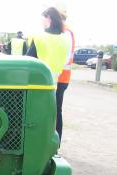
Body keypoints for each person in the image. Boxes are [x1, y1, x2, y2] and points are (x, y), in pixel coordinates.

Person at [26, 7, 69, 142]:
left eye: (43, 18)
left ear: (48, 18)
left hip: (36, 84)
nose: (42, 22)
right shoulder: (65, 39)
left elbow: (27, 60)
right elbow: (66, 60)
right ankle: (55, 144)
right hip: (55, 82)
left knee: (33, 117)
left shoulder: (39, 38)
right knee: (55, 114)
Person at [55, 3, 75, 141]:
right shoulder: (65, 32)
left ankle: (57, 142)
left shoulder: (65, 33)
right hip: (59, 77)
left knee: (56, 111)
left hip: (60, 78)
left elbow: (65, 58)